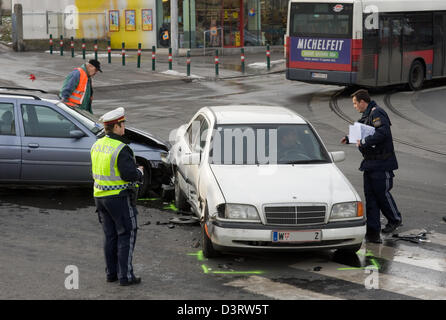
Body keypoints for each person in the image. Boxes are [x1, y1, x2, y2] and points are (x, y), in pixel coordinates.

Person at [91, 107, 144, 286]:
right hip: (119, 198)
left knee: (110, 236)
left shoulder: (97, 144)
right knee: (126, 234)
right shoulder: (121, 148)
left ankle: (111, 274)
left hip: (100, 197)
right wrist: (139, 172)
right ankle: (126, 276)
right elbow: (129, 174)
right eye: (122, 125)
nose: (124, 128)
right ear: (116, 127)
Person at [341, 89, 402, 243]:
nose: (354, 106)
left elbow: (383, 132)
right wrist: (349, 138)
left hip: (382, 163)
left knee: (382, 193)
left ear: (363, 102)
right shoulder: (367, 116)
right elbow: (363, 132)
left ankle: (394, 219)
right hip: (370, 164)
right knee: (371, 196)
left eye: (355, 103)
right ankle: (373, 228)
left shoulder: (377, 113)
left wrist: (366, 142)